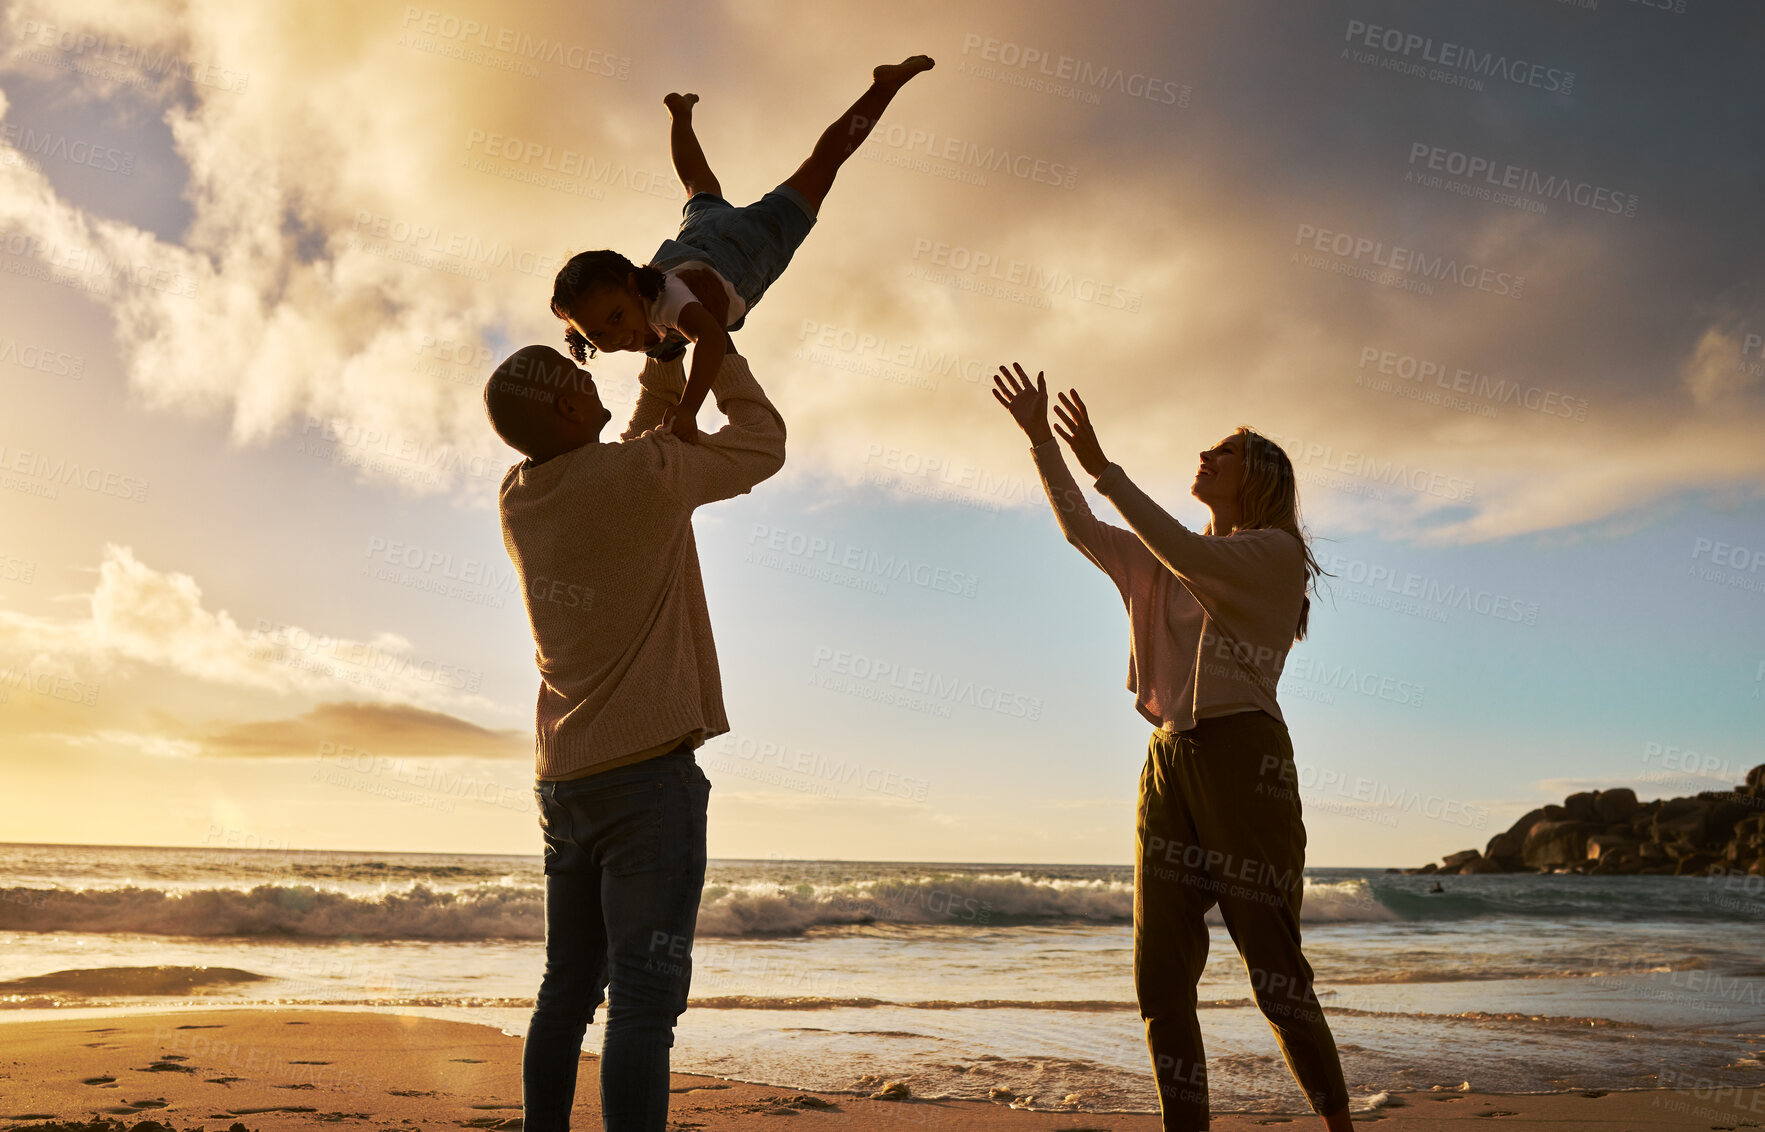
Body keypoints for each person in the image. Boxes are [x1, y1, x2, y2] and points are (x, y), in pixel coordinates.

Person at [991, 363, 1353, 1132]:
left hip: (1244, 760)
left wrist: (1105, 468)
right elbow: (1082, 530)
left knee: (1275, 975)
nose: (1204, 458)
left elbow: (1195, 559)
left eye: (1222, 454)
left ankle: (1339, 1126)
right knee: (1159, 978)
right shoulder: (1173, 557)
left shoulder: (1274, 554)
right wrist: (1038, 443)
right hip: (1167, 763)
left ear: (1257, 479)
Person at [483, 325, 785, 1131]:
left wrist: (661, 360)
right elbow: (762, 442)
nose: (593, 384)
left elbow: (622, 450)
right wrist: (716, 346)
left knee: (565, 992)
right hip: (647, 782)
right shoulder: (644, 475)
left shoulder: (519, 495)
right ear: (564, 403)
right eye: (577, 384)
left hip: (564, 780)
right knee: (644, 1009)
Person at [548, 54, 935, 443]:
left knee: (823, 164)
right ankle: (680, 116)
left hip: (748, 246)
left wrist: (688, 408)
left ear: (634, 287)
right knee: (696, 184)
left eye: (617, 318)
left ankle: (883, 87)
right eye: (598, 334)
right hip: (698, 235)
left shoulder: (668, 303)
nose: (617, 338)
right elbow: (657, 370)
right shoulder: (642, 323)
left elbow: (712, 340)